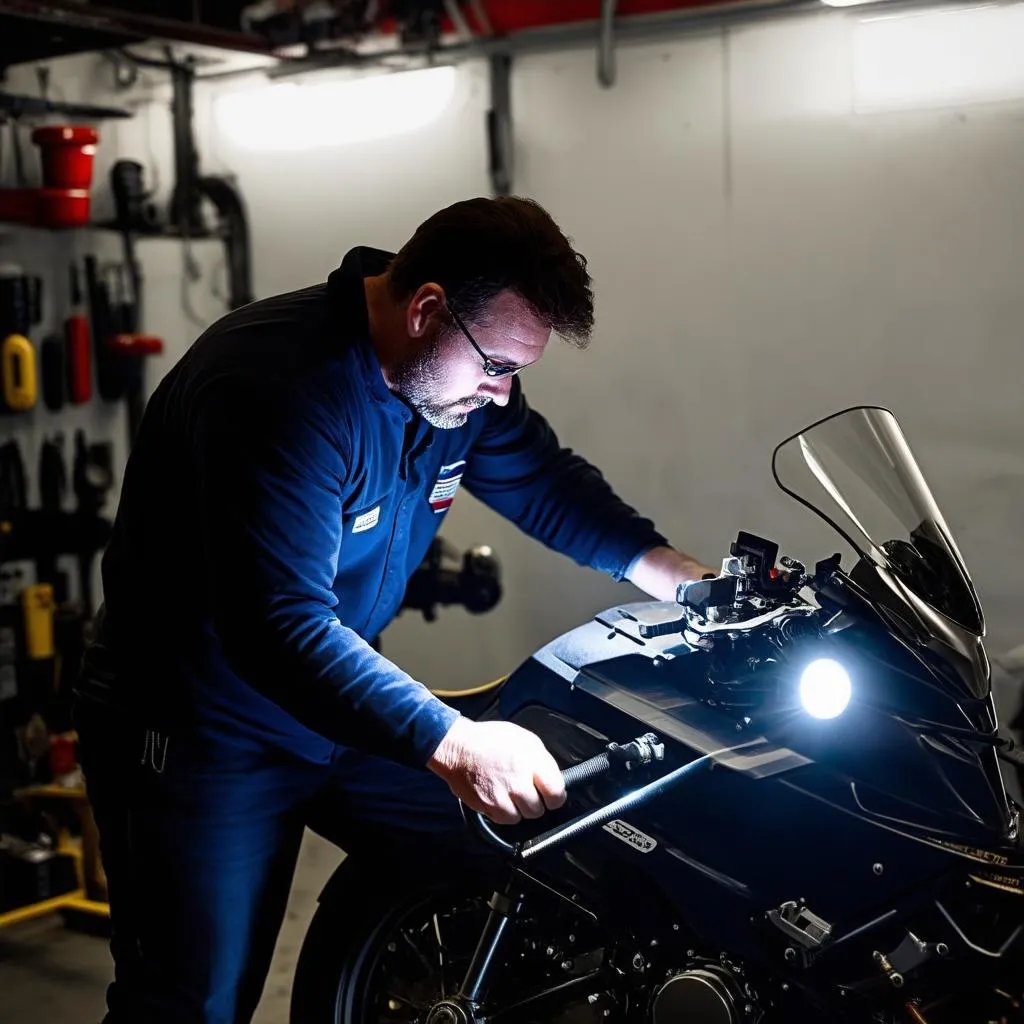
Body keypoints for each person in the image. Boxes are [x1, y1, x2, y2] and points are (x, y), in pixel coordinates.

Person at [74, 195, 713, 1023]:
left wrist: (682, 577)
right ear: (426, 309)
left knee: (529, 856)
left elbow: (544, 481)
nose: (499, 392)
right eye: (497, 368)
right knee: (192, 1003)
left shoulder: (450, 380)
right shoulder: (277, 389)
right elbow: (279, 628)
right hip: (203, 726)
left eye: (516, 373)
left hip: (332, 706)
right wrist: (451, 740)